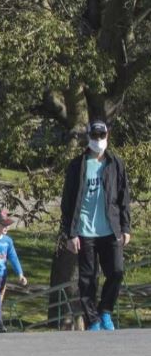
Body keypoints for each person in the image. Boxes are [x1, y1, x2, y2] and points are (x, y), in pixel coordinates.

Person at [60, 120, 131, 331]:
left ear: (107, 136)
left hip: (110, 229)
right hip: (84, 231)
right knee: (87, 279)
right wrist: (69, 234)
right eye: (95, 136)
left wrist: (126, 227)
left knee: (116, 271)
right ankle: (93, 320)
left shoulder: (115, 163)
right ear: (89, 137)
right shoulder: (77, 165)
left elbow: (123, 197)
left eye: (102, 136)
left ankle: (105, 311)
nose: (99, 140)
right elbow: (67, 202)